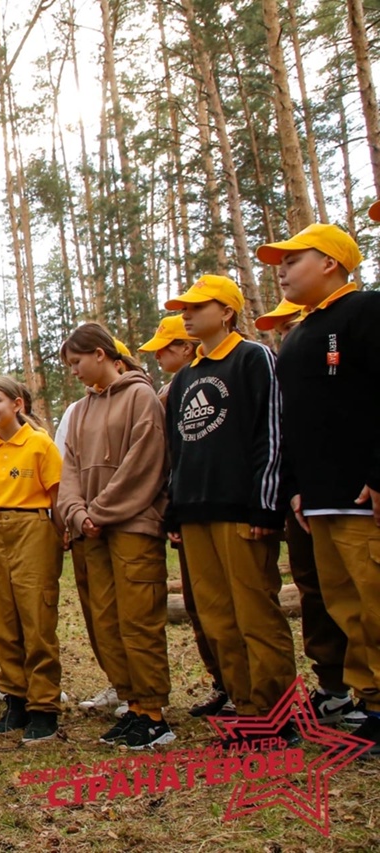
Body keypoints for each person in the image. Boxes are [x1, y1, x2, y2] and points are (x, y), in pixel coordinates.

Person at [259, 224, 380, 751]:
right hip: (320, 499)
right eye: (279, 262)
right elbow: (292, 421)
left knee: (376, 602)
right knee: (345, 606)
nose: (281, 270)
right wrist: (295, 486)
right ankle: (369, 702)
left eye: (293, 259)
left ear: (331, 262)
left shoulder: (366, 312)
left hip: (362, 495)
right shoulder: (300, 334)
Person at [163, 275, 298, 746]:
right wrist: (175, 511)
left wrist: (266, 506)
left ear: (226, 311)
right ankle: (246, 710)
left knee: (255, 614)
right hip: (196, 515)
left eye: (197, 306)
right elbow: (178, 449)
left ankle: (279, 714)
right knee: (218, 618)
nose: (186, 314)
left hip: (242, 510)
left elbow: (272, 431)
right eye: (184, 307)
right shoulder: (183, 378)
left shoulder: (253, 358)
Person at [57, 324, 175, 750]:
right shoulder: (81, 409)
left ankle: (153, 712)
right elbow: (68, 467)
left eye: (77, 361)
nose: (73, 371)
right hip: (92, 531)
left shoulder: (141, 397)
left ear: (102, 354)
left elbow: (144, 462)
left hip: (132, 527)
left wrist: (100, 511)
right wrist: (75, 513)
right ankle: (131, 704)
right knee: (105, 621)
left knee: (138, 619)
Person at [254, 292, 357, 727]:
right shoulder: (282, 377)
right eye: (280, 330)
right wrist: (292, 489)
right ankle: (333, 689)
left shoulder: (346, 360)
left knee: (360, 595)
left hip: (354, 497)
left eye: (290, 325)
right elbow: (283, 438)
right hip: (304, 502)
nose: (285, 335)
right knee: (316, 593)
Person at [138, 314, 228, 717]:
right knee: (199, 606)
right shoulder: (171, 390)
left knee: (227, 606)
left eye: (166, 347)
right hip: (186, 510)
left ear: (187, 347)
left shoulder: (211, 379)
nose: (158, 355)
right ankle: (224, 685)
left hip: (223, 506)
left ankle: (248, 694)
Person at [0, 375, 65, 745]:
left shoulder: (40, 445)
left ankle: (44, 706)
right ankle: (16, 699)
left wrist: (60, 536)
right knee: (2, 617)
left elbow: (56, 495)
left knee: (36, 617)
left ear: (17, 405)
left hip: (33, 528)